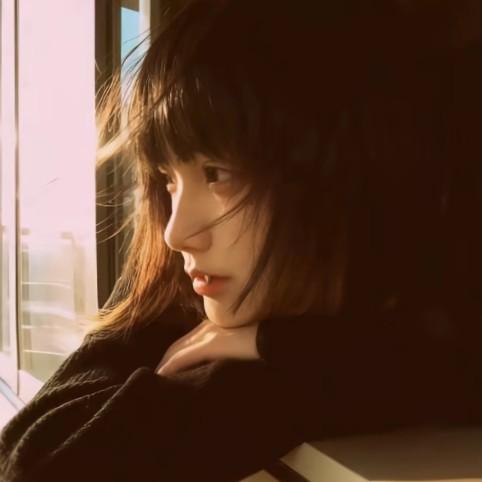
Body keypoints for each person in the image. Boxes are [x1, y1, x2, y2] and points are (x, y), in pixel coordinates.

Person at [1, 1, 480, 481]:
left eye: (217, 174)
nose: (175, 234)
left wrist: (279, 346)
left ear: (347, 180)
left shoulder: (389, 352)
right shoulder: (193, 309)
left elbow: (47, 468)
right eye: (168, 180)